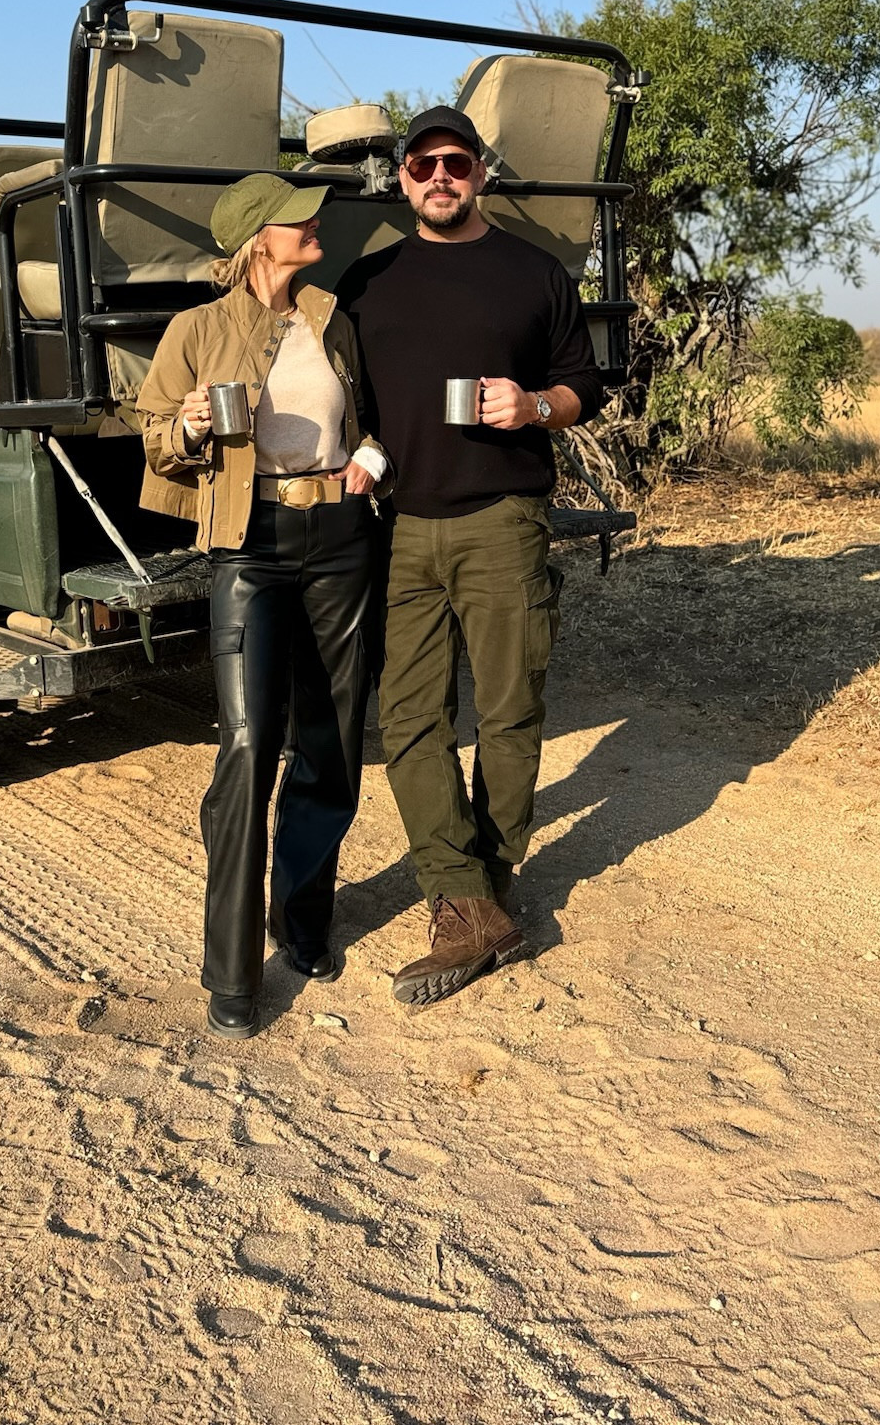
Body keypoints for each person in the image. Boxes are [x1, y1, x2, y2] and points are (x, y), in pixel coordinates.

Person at [336, 104, 605, 1010]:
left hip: (503, 520)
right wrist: (365, 449)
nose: (438, 178)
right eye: (422, 166)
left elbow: (586, 384)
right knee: (407, 718)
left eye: (455, 163)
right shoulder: (369, 281)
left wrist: (534, 408)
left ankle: (487, 887)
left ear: (481, 171)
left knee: (508, 711)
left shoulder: (534, 273)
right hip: (404, 527)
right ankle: (461, 895)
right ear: (402, 179)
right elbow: (349, 396)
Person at [138, 174, 389, 1041]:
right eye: (298, 216)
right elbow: (154, 435)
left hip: (343, 540)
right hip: (250, 542)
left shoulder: (332, 317)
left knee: (332, 737)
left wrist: (371, 463)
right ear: (256, 238)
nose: (314, 221)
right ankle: (232, 965)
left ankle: (306, 922)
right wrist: (195, 431)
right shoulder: (197, 330)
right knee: (247, 748)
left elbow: (379, 420)